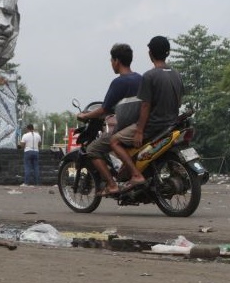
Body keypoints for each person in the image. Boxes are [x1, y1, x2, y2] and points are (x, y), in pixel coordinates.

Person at [110, 35, 184, 192]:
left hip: (153, 126)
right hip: (172, 124)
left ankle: (136, 175)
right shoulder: (176, 74)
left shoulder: (149, 76)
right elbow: (179, 102)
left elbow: (145, 106)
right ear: (167, 53)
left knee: (114, 141)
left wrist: (139, 131)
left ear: (150, 53)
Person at [77, 43, 142, 196]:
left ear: (117, 61)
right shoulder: (140, 78)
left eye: (111, 61)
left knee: (92, 149)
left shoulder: (119, 82)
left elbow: (104, 109)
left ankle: (112, 185)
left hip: (126, 129)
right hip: (140, 125)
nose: (111, 64)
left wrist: (84, 115)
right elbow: (123, 105)